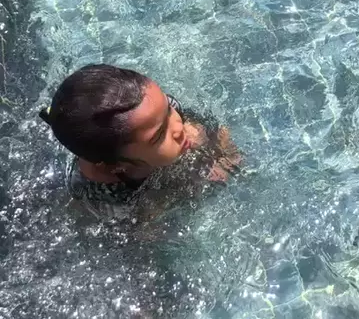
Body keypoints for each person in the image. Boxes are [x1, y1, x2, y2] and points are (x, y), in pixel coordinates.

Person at [39, 64, 242, 222]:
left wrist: (223, 154)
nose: (178, 127)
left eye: (168, 109)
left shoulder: (151, 110)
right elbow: (143, 234)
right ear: (117, 165)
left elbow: (220, 133)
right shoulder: (105, 193)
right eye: (160, 135)